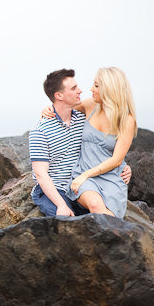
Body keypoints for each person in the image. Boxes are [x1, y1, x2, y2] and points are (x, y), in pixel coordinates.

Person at [28, 68, 132, 217]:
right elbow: (40, 174)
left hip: (82, 184)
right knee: (67, 222)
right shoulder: (41, 131)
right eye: (74, 88)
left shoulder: (82, 119)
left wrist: (122, 164)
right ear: (59, 95)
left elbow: (102, 145)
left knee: (98, 216)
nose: (82, 90)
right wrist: (61, 205)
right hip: (57, 189)